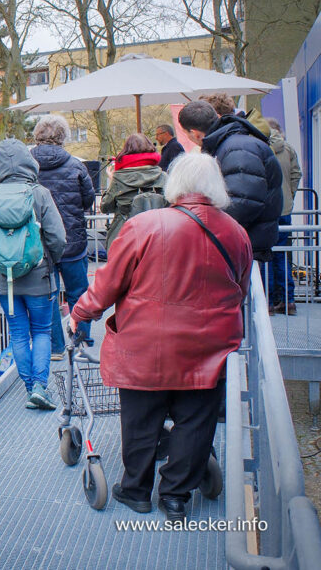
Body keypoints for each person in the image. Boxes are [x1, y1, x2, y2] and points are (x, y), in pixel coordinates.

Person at [69, 153, 252, 522]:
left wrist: (81, 313)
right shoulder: (236, 231)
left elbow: (108, 284)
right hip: (211, 345)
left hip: (146, 344)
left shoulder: (144, 225)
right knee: (196, 421)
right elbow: (240, 289)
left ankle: (136, 491)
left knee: (140, 420)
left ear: (175, 183)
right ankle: (176, 497)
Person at [0, 138, 66, 410]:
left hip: (4, 279)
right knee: (42, 331)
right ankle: (39, 386)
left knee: (18, 333)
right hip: (40, 276)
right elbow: (58, 237)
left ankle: (28, 387)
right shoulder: (40, 193)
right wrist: (51, 260)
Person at [178, 98, 283, 262]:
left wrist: (208, 231)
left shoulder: (236, 148)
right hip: (243, 243)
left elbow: (243, 203)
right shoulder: (231, 144)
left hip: (243, 246)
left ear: (195, 133)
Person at [30, 114, 96, 356]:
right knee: (79, 292)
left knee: (48, 295)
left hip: (40, 242)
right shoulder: (76, 165)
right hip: (72, 240)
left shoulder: (27, 166)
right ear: (63, 136)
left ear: (37, 136)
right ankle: (80, 340)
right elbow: (88, 200)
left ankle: (56, 346)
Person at [102, 134, 167, 251]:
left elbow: (106, 207)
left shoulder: (119, 178)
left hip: (125, 237)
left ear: (126, 150)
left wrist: (112, 181)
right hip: (158, 236)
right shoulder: (163, 176)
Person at [265, 117, 302, 315]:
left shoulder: (261, 147)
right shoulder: (288, 149)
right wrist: (290, 196)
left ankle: (268, 302)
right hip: (285, 210)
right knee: (282, 255)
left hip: (266, 210)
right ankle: (289, 301)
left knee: (266, 256)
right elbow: (296, 175)